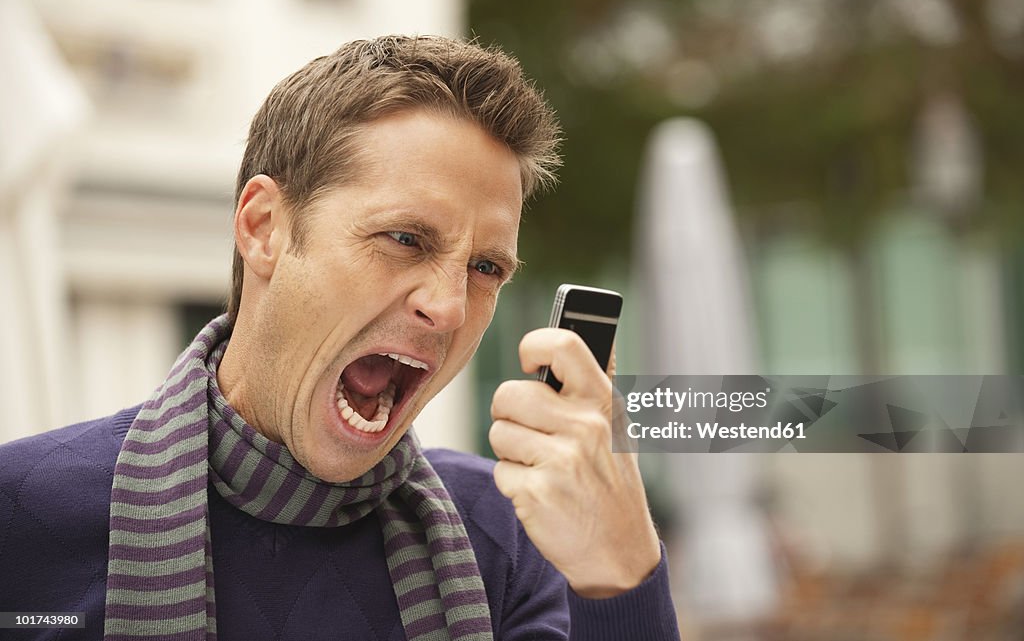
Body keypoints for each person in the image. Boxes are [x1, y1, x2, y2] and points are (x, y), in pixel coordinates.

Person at [0, 35, 680, 640]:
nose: (447, 307)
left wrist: (620, 576)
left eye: (485, 268)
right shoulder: (21, 516)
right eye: (405, 238)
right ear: (263, 227)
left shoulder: (510, 538)